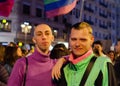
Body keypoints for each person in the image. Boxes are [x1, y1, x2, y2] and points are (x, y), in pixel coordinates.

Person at [53, 22, 117, 86]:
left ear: (91, 40)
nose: (77, 44)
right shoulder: (63, 67)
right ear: (69, 39)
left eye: (83, 40)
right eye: (74, 39)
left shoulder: (103, 64)